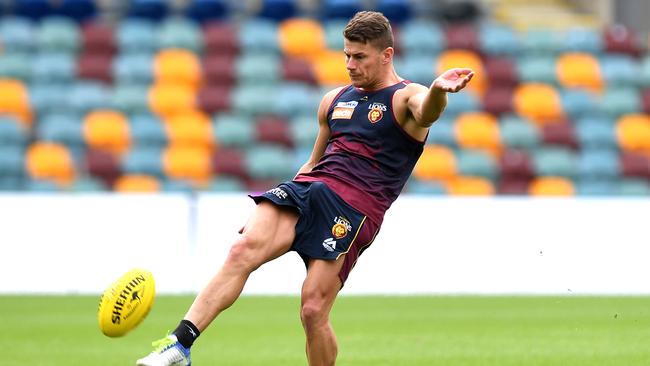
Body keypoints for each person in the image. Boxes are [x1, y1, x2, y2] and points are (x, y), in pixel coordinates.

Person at [136, 10, 474, 366]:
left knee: (312, 310)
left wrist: (439, 90)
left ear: (386, 55)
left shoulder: (408, 96)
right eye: (346, 55)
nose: (350, 65)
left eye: (359, 57)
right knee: (242, 250)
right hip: (310, 189)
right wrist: (273, 209)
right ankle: (179, 346)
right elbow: (314, 163)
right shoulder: (334, 100)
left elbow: (427, 113)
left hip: (353, 209)